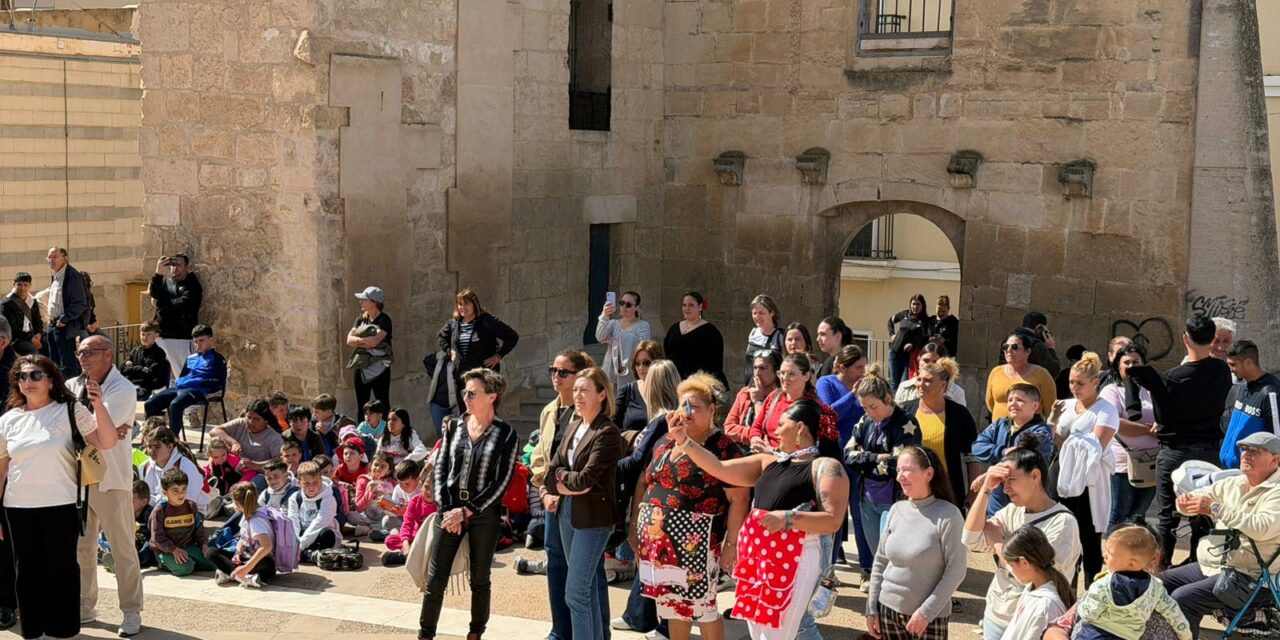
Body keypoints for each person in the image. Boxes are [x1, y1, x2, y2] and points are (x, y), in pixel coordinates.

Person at [670, 398, 849, 640]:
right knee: (758, 632)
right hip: (757, 558)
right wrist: (684, 440)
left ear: (800, 428)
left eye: (781, 424)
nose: (775, 431)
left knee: (777, 635)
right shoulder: (769, 461)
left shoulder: (826, 467)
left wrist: (788, 518)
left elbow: (833, 520)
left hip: (794, 559)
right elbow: (719, 468)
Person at [0, 354, 119, 639]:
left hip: (61, 503)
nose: (27, 381)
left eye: (35, 375)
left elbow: (107, 441)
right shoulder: (8, 420)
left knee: (61, 568)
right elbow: (1, 468)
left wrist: (99, 406)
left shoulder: (70, 410)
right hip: (17, 506)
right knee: (27, 571)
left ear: (51, 380)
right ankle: (33, 631)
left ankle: (63, 631)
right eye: (22, 376)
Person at [627, 373, 750, 640]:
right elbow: (644, 482)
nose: (687, 411)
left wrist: (732, 544)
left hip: (699, 545)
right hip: (661, 544)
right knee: (672, 606)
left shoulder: (723, 448)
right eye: (683, 405)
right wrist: (635, 525)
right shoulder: (665, 441)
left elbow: (739, 498)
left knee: (703, 609)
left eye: (694, 406)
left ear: (712, 410)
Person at [419, 368, 519, 640]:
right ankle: (425, 634)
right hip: (449, 509)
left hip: (483, 515)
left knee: (480, 578)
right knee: (435, 579)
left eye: (472, 393)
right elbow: (441, 469)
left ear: (492, 396)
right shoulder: (454, 426)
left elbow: (502, 482)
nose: (465, 398)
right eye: (464, 392)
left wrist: (467, 511)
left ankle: (475, 633)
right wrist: (446, 510)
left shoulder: (506, 434)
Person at [1127, 313, 1233, 565]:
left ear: (1185, 339)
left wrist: (1154, 386)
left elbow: (1163, 417)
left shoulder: (1174, 378)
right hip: (1208, 452)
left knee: (1167, 518)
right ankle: (1199, 567)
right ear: (1211, 339)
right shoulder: (1222, 371)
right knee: (1203, 514)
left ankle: (1162, 569)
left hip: (1175, 452)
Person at [1159, 431, 1280, 637]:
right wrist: (1185, 503)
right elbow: (1198, 497)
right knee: (1157, 583)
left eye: (1256, 451)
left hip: (1250, 574)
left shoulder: (1277, 491)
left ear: (1275, 460)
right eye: (1244, 449)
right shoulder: (1235, 482)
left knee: (1183, 598)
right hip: (1216, 565)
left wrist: (1215, 508)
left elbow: (1261, 527)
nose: (1246, 455)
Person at [68, 334, 144, 635]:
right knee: (81, 548)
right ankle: (84, 606)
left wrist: (103, 428)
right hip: (78, 478)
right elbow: (89, 428)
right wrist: (107, 428)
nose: (83, 357)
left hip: (111, 479)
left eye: (90, 352)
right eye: (80, 352)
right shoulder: (72, 385)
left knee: (122, 548)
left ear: (108, 355)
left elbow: (97, 430)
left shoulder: (123, 388)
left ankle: (131, 611)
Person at [542, 367, 625, 640]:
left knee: (575, 593)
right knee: (585, 591)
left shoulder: (607, 432)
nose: (577, 395)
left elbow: (585, 480)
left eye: (585, 390)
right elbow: (551, 473)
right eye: (576, 389)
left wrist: (562, 479)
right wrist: (564, 481)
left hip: (594, 519)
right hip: (567, 512)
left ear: (602, 394)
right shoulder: (574, 425)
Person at [963, 447, 1081, 640]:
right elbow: (970, 540)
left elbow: (1033, 575)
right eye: (1003, 482)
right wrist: (985, 490)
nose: (1005, 489)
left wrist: (998, 544)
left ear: (1035, 476)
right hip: (996, 615)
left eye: (1011, 480)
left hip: (1033, 620)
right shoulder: (1011, 511)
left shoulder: (1063, 523)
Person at [612, 359, 686, 637]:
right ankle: (639, 616)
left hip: (658, 499)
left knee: (661, 563)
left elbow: (638, 462)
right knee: (650, 560)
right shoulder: (670, 419)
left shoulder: (662, 422)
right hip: (662, 498)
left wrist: (606, 468)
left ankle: (663, 625)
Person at [866, 446, 966, 640]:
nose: (899, 477)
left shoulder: (949, 515)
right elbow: (880, 561)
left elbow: (956, 570)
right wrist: (871, 607)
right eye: (898, 470)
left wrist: (926, 613)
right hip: (887, 612)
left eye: (907, 470)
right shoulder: (896, 510)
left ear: (928, 474)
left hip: (928, 619)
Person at [528, 350, 594, 640]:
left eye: (563, 372)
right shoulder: (549, 411)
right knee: (555, 562)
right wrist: (544, 491)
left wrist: (562, 490)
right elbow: (539, 458)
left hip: (579, 500)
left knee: (586, 573)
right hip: (552, 499)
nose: (556, 377)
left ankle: (595, 633)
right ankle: (560, 631)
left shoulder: (587, 413)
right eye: (553, 371)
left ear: (579, 375)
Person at [844, 364, 922, 586]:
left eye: (873, 407)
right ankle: (880, 593)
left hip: (893, 499)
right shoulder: (865, 421)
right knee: (877, 554)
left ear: (888, 399)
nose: (869, 413)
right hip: (867, 498)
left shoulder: (907, 422)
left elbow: (899, 464)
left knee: (890, 553)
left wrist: (864, 458)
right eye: (864, 407)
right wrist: (875, 457)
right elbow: (848, 455)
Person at [1054, 352, 1118, 582]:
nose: (1074, 387)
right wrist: (1053, 421)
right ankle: (1066, 587)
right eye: (1071, 382)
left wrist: (1069, 440)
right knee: (1064, 536)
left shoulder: (1106, 410)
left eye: (1080, 383)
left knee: (1089, 538)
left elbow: (1096, 446)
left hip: (1090, 483)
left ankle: (1092, 588)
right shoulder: (1066, 405)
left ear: (1095, 382)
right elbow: (1055, 440)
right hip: (1063, 476)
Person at [1075, 524, 1191, 640]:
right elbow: (1174, 613)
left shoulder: (1103, 585)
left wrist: (1081, 609)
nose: (1104, 555)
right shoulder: (1156, 588)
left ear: (1131, 563)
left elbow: (1089, 613)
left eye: (1110, 553)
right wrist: (1186, 635)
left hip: (1094, 634)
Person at [900, 357, 980, 509]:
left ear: (943, 385)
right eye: (919, 379)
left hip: (948, 492)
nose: (921, 384)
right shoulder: (905, 412)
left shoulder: (959, 414)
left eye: (928, 380)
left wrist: (973, 492)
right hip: (911, 492)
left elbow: (973, 456)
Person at [432, 289, 520, 425]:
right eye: (460, 304)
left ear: (475, 304)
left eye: (466, 304)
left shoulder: (487, 321)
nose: (463, 308)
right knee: (466, 413)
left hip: (484, 378)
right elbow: (441, 337)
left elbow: (512, 336)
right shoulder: (454, 324)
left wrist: (498, 356)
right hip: (462, 378)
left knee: (485, 413)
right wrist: (450, 351)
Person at [816, 345, 867, 565]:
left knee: (859, 511)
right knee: (834, 511)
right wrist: (853, 394)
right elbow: (829, 414)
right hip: (834, 455)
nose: (863, 372)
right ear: (843, 367)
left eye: (864, 367)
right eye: (858, 367)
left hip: (859, 456)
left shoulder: (865, 385)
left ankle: (867, 566)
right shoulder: (826, 383)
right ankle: (829, 564)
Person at [972, 383, 1055, 516]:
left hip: (1028, 502)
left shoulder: (1041, 431)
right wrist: (1002, 452)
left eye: (1020, 400)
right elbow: (977, 446)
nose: (1013, 404)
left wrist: (990, 473)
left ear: (1035, 406)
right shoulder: (999, 425)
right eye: (1010, 400)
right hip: (998, 501)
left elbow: (1023, 455)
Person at [1100, 343, 1159, 529]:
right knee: (1119, 516)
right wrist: (1147, 430)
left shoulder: (1151, 390)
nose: (1132, 366)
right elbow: (1115, 423)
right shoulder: (1111, 391)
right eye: (1127, 362)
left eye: (1136, 362)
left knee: (1138, 517)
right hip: (1124, 464)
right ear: (1118, 366)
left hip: (1152, 461)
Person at [144, 324, 227, 438]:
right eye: (195, 341)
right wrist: (180, 382)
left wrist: (200, 382)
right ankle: (153, 438)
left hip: (198, 390)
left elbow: (219, 382)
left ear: (210, 340)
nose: (198, 344)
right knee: (150, 404)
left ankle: (172, 440)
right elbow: (183, 376)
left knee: (175, 404)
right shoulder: (191, 358)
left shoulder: (217, 358)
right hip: (180, 388)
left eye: (201, 340)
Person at [997, 525, 1075, 640]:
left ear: (1024, 562)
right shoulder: (1033, 587)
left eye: (1012, 566)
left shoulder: (1046, 606)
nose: (1012, 570)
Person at [748, 353, 837, 452]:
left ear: (806, 376)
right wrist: (756, 440)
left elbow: (808, 447)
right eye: (782, 373)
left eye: (791, 374)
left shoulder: (811, 407)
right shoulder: (774, 397)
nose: (784, 378)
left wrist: (771, 451)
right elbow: (756, 426)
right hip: (763, 454)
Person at [1221, 340, 1280, 469]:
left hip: (1253, 472)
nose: (1230, 369)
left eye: (1233, 365)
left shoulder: (1270, 393)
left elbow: (1277, 439)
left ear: (1248, 362)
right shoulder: (1242, 387)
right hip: (1232, 471)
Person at [150, 467, 215, 576]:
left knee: (213, 563)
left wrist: (204, 545)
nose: (181, 494)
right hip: (166, 550)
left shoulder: (191, 506)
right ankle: (163, 563)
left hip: (187, 547)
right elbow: (157, 538)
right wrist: (174, 550)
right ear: (165, 492)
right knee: (185, 568)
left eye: (184, 489)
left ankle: (189, 560)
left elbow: (199, 530)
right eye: (175, 491)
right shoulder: (160, 511)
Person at [148, 253, 203, 383]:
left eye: (178, 265)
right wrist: (158, 272)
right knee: (158, 376)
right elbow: (154, 293)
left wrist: (160, 303)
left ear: (186, 267)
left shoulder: (192, 284)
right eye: (172, 265)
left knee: (183, 376)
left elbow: (183, 303)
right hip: (161, 335)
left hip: (179, 338)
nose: (174, 268)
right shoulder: (166, 282)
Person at [209, 399, 285, 491]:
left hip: (260, 474)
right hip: (234, 469)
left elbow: (281, 461)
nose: (251, 422)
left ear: (266, 421)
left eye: (256, 419)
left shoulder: (274, 438)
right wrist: (233, 443)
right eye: (248, 417)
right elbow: (214, 431)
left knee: (248, 490)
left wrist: (256, 466)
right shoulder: (241, 424)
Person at [210, 482, 275, 588]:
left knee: (267, 564)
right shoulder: (246, 514)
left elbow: (267, 546)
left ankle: (234, 574)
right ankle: (245, 577)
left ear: (237, 504)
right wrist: (238, 552)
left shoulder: (256, 521)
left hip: (259, 560)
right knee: (211, 552)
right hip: (246, 557)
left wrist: (246, 568)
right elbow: (243, 537)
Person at [139, 425, 214, 516]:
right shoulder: (145, 467)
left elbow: (187, 501)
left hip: (189, 513)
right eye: (149, 447)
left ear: (170, 447)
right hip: (159, 510)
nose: (151, 451)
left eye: (157, 447)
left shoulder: (186, 466)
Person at [986, 332, 1057, 422]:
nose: (1009, 350)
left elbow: (1051, 408)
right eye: (1005, 347)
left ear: (1028, 351)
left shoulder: (1042, 375)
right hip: (999, 428)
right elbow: (990, 404)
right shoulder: (996, 372)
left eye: (1014, 347)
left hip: (1029, 429)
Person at [42, 247, 91, 375]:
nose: (51, 260)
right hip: (53, 325)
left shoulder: (72, 277)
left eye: (55, 257)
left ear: (65, 259)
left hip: (65, 326)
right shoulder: (56, 275)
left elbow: (80, 303)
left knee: (67, 365)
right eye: (49, 258)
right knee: (55, 364)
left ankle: (69, 387)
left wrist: (65, 319)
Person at [346, 286, 394, 419]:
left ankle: (385, 430)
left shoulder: (384, 320)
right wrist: (364, 341)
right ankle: (362, 430)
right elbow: (349, 340)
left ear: (374, 302)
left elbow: (375, 342)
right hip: (362, 367)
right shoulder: (360, 319)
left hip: (380, 368)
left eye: (364, 300)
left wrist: (358, 341)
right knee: (361, 405)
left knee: (383, 403)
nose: (361, 302)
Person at [663, 291, 726, 387]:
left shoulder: (711, 332)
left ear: (700, 307)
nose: (686, 308)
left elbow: (715, 364)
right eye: (684, 305)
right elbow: (666, 352)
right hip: (673, 382)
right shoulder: (674, 328)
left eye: (691, 305)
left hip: (697, 384)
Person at [381, 462, 438, 566]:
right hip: (415, 534)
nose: (429, 492)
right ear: (422, 487)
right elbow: (408, 523)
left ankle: (404, 556)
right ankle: (412, 553)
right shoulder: (415, 501)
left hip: (431, 537)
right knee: (390, 539)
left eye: (433, 489)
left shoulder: (440, 503)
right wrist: (405, 543)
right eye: (426, 487)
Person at [288, 461, 342, 561]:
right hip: (303, 533)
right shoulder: (294, 498)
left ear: (321, 480)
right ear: (299, 483)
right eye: (307, 483)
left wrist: (301, 545)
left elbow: (320, 523)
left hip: (320, 531)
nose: (312, 487)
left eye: (315, 482)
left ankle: (308, 554)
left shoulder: (329, 499)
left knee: (326, 534)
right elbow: (293, 520)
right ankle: (311, 555)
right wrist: (296, 543)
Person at [597, 290, 652, 389]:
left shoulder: (643, 325)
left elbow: (641, 346)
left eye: (628, 305)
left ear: (637, 307)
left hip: (630, 373)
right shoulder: (613, 323)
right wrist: (604, 316)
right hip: (610, 371)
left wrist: (614, 341)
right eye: (622, 303)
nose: (624, 307)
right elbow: (600, 336)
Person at [726, 349, 781, 445]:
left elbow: (770, 433)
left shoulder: (781, 398)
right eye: (755, 368)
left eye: (763, 368)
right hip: (743, 448)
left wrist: (758, 402)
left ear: (776, 372)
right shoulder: (745, 393)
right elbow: (729, 428)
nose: (757, 373)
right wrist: (753, 436)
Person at [894, 343, 967, 406]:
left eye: (935, 362)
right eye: (925, 361)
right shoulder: (904, 387)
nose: (929, 365)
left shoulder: (956, 392)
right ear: (919, 360)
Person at [614, 340, 663, 433]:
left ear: (658, 363)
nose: (641, 368)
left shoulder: (669, 390)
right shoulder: (627, 391)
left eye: (646, 363)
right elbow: (613, 426)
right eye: (637, 363)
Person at [886, 293, 931, 391]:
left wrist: (913, 345)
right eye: (913, 304)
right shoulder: (904, 314)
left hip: (908, 358)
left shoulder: (925, 321)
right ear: (910, 304)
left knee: (904, 384)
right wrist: (892, 334)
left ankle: (901, 401)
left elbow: (924, 338)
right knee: (894, 384)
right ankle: (894, 401)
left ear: (922, 306)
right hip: (894, 354)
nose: (915, 306)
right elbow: (890, 321)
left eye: (918, 304)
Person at [121, 321, 170, 399]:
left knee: (128, 397)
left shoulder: (159, 353)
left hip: (146, 389)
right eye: (142, 334)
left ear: (156, 335)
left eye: (148, 334)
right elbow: (123, 369)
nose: (144, 337)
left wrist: (132, 368)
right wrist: (141, 369)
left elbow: (150, 374)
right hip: (130, 386)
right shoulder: (135, 351)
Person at [743, 294, 783, 385]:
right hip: (750, 386)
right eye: (754, 313)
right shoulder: (753, 333)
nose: (757, 317)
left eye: (761, 313)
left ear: (772, 313)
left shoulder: (780, 336)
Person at [1, 272, 42, 356]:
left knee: (51, 344)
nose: (22, 288)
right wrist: (31, 338)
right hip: (16, 338)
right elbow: (13, 328)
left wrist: (38, 334)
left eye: (25, 285)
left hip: (32, 334)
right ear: (14, 285)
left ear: (30, 285)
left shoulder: (32, 300)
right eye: (19, 285)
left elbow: (37, 320)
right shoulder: (6, 303)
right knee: (34, 354)